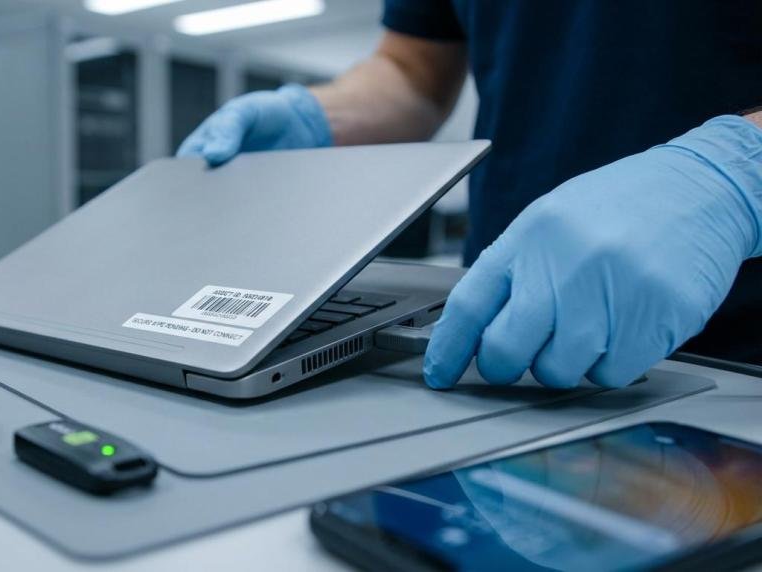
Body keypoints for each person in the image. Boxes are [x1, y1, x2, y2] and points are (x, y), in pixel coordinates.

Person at [177, 1, 762, 390]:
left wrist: (735, 179)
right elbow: (412, 70)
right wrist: (318, 117)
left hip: (736, 355)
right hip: (497, 321)